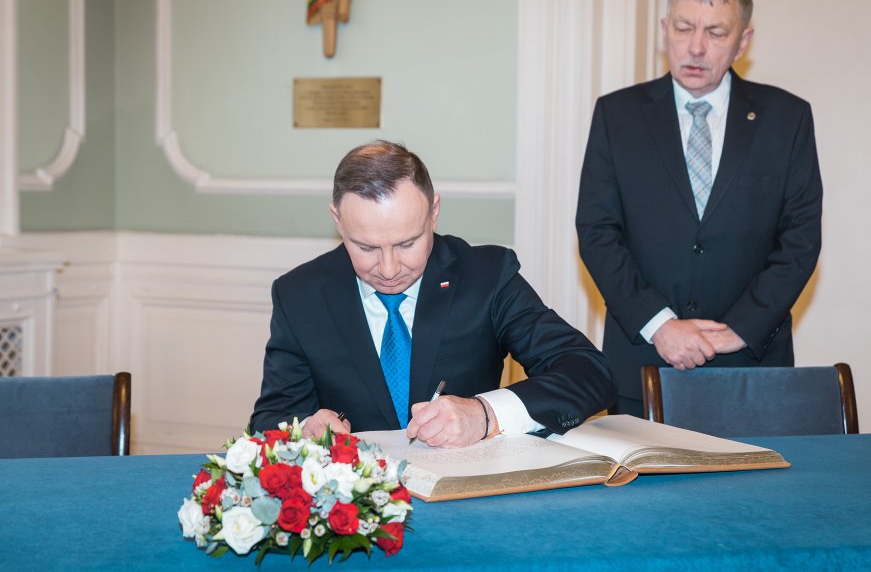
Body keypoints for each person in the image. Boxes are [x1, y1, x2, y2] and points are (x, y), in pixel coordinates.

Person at [575, 0, 822, 416]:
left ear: (743, 40)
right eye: (684, 28)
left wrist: (740, 329)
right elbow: (596, 231)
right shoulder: (617, 115)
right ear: (665, 28)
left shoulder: (787, 119)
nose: (695, 47)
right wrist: (661, 325)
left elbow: (801, 240)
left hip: (751, 365)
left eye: (715, 32)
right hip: (643, 360)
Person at [252, 140, 616, 446]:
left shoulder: (486, 276)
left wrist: (486, 415)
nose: (390, 269)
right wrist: (304, 430)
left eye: (407, 243)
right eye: (366, 248)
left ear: (434, 212)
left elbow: (589, 372)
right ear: (337, 220)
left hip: (467, 499)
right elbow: (271, 418)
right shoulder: (299, 295)